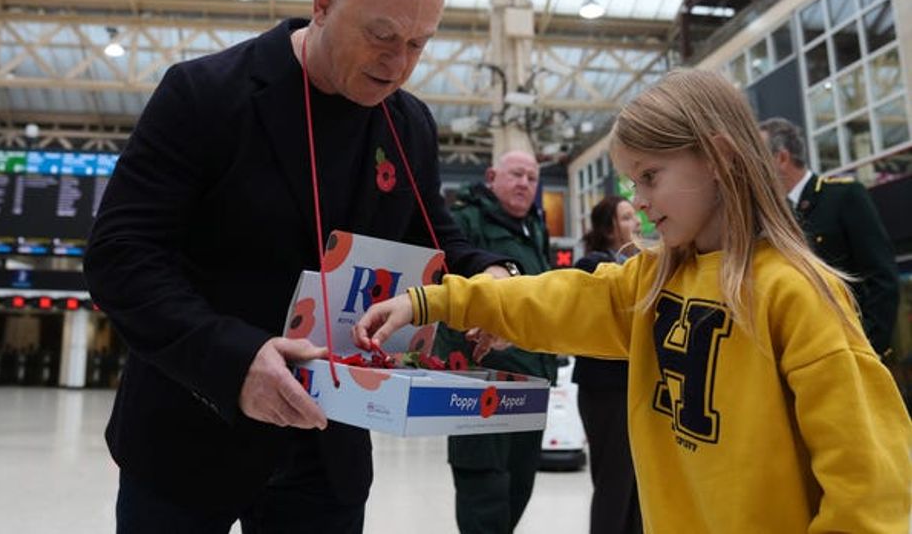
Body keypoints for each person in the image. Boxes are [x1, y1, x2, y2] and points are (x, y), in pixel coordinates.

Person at [84, 0, 512, 534]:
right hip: (191, 430)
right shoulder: (205, 95)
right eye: (381, 35)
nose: (397, 64)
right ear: (322, 3)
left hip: (326, 449)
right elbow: (120, 256)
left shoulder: (408, 124)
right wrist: (236, 360)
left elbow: (436, 239)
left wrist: (495, 278)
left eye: (418, 44)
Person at [356, 69, 912, 533]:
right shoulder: (651, 282)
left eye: (650, 176)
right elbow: (552, 298)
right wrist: (433, 302)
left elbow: (870, 485)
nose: (640, 203)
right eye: (631, 186)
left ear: (718, 157)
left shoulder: (797, 294)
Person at [434, 150, 556, 534]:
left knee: (519, 486)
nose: (525, 183)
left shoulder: (535, 227)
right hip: (480, 383)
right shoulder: (465, 222)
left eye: (532, 178)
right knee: (483, 490)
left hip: (531, 384)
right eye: (516, 174)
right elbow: (444, 287)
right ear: (491, 176)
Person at [759, 117, 899, 358]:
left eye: (758, 159)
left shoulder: (843, 196)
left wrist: (865, 351)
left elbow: (882, 279)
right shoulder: (771, 217)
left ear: (781, 158)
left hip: (850, 352)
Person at [573, 195, 642, 534]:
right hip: (606, 389)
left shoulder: (641, 263)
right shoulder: (592, 266)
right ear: (607, 228)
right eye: (627, 217)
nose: (638, 222)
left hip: (636, 386)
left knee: (639, 487)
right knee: (614, 483)